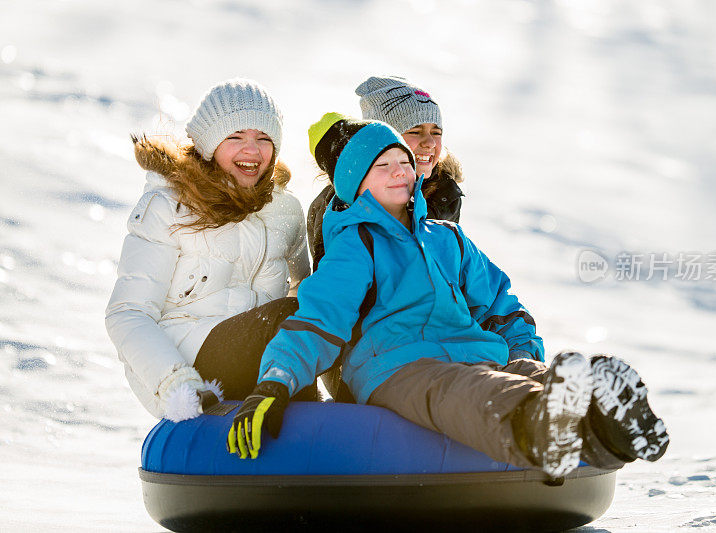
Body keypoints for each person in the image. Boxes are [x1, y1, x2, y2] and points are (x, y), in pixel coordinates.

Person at [226, 114, 669, 478]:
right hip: (398, 366)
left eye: (402, 161)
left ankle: (606, 427)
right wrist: (275, 382)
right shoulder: (354, 244)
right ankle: (543, 428)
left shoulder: (448, 239)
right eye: (384, 167)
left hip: (473, 353)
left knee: (522, 370)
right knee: (460, 389)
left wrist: (523, 354)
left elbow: (499, 301)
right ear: (358, 186)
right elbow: (319, 318)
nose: (401, 171)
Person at [105, 79, 312, 422]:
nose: (252, 150)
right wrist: (176, 382)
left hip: (262, 351)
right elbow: (128, 312)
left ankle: (333, 434)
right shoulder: (168, 206)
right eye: (235, 137)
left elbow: (302, 288)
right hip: (185, 355)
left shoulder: (284, 210)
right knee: (291, 319)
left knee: (325, 311)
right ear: (208, 144)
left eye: (264, 139)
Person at [306, 76, 463, 273]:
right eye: (415, 131)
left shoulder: (445, 194)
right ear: (384, 140)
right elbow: (331, 284)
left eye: (436, 132)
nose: (430, 143)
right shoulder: (338, 204)